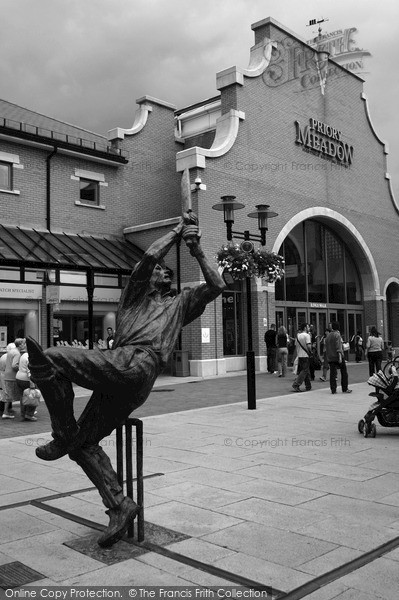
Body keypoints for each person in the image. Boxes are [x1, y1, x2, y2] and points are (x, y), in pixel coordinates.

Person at [26, 209, 225, 548]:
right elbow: (148, 256)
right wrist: (177, 231)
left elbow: (218, 285)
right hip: (123, 370)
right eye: (158, 270)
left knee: (54, 356)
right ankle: (120, 505)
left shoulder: (180, 304)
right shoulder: (133, 299)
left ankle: (62, 432)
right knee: (82, 445)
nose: (160, 271)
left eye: (165, 271)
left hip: (140, 364)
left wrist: (197, 249)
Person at [325, 321, 352, 395]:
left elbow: (326, 347)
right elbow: (338, 347)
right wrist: (340, 357)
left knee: (332, 374)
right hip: (337, 356)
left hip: (330, 357)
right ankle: (345, 388)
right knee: (344, 372)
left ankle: (333, 389)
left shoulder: (328, 336)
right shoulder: (337, 335)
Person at [3, 339, 26, 419]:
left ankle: (6, 412)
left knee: (8, 394)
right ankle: (25, 412)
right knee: (21, 394)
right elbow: (14, 365)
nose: (25, 345)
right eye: (23, 343)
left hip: (7, 375)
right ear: (20, 345)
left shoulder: (11, 351)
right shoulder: (17, 353)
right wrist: (21, 369)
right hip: (13, 376)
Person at [16, 340, 37, 422]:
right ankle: (29, 414)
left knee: (23, 397)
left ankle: (23, 414)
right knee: (33, 395)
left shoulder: (23, 355)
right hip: (26, 379)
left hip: (19, 378)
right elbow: (29, 370)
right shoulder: (29, 357)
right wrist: (32, 382)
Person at [292, 323, 312, 392]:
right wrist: (311, 351)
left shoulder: (298, 336)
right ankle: (296, 384)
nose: (309, 328)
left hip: (299, 355)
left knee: (304, 370)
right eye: (308, 327)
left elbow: (296, 345)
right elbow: (309, 346)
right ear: (305, 328)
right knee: (305, 370)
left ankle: (308, 385)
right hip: (305, 355)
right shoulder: (307, 336)